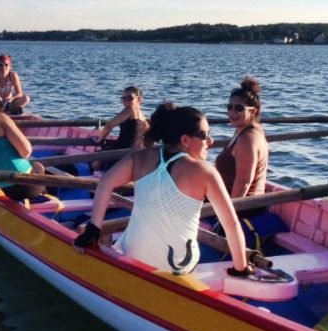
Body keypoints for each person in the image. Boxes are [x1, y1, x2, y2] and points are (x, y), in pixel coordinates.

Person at [74, 102, 253, 277]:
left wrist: (93, 229)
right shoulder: (205, 171)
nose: (210, 141)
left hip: (132, 255)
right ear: (185, 140)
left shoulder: (138, 157)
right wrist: (240, 268)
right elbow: (231, 225)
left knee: (125, 239)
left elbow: (105, 183)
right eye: (205, 135)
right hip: (176, 266)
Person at [215, 77, 269, 199]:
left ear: (254, 111)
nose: (232, 112)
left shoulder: (248, 139)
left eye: (239, 108)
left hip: (245, 207)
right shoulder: (242, 131)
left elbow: (243, 182)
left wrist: (228, 215)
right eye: (230, 107)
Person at [91, 86, 149, 170]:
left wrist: (99, 140)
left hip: (122, 151)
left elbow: (109, 125)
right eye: (123, 98)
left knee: (96, 161)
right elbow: (147, 128)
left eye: (129, 98)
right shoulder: (143, 116)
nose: (126, 101)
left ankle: (91, 174)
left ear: (139, 99)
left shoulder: (130, 109)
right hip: (135, 151)